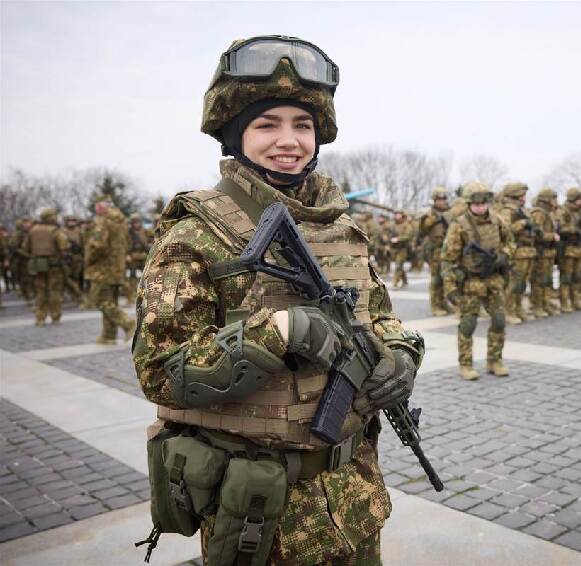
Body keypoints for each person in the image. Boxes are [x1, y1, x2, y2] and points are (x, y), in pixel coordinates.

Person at [132, 35, 424, 565]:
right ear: (234, 134)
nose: (287, 140)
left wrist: (402, 356)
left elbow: (381, 318)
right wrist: (283, 331)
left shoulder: (344, 229)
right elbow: (159, 371)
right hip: (261, 513)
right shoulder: (196, 236)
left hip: (354, 498)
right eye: (266, 124)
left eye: (302, 124)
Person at [442, 182, 514, 380]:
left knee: (499, 321)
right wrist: (450, 288)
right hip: (471, 283)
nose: (480, 207)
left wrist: (503, 256)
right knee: (468, 324)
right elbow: (448, 259)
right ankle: (465, 364)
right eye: (476, 204)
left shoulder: (497, 221)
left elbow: (510, 243)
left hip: (494, 280)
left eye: (483, 203)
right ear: (469, 203)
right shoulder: (459, 226)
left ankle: (495, 360)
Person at [86, 198, 136, 344]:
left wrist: (89, 260)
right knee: (110, 300)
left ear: (101, 207)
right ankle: (108, 335)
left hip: (102, 269)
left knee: (100, 301)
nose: (96, 209)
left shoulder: (103, 222)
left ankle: (127, 323)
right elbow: (128, 243)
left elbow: (97, 245)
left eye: (97, 206)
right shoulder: (121, 222)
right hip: (116, 269)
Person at [497, 182, 537, 324]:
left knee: (522, 284)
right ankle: (509, 311)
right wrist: (523, 224)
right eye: (522, 194)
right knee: (513, 283)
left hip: (527, 251)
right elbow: (505, 230)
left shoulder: (523, 210)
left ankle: (518, 308)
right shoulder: (507, 211)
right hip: (516, 251)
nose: (524, 197)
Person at [23, 208, 69, 325]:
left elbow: (25, 248)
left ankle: (40, 318)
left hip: (37, 265)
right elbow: (64, 247)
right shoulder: (55, 230)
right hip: (54, 265)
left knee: (40, 292)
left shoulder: (32, 231)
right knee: (54, 291)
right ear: (50, 217)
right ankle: (55, 317)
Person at [419, 187, 454, 315]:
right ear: (434, 200)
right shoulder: (429, 214)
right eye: (439, 199)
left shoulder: (450, 212)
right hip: (434, 250)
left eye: (444, 198)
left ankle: (443, 303)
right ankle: (435, 306)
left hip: (448, 249)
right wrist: (433, 219)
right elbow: (421, 231)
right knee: (436, 279)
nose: (442, 201)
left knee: (446, 278)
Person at [528, 188, 560, 318]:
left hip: (548, 252)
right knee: (538, 280)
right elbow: (537, 234)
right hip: (541, 252)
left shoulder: (548, 213)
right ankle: (537, 305)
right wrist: (552, 236)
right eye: (553, 199)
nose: (555, 202)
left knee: (546, 280)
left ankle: (544, 303)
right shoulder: (539, 213)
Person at [557, 188, 581, 312]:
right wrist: (574, 230)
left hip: (578, 248)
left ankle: (575, 301)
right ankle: (564, 303)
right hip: (568, 248)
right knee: (566, 277)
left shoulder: (578, 213)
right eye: (580, 200)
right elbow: (560, 229)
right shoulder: (563, 212)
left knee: (577, 276)